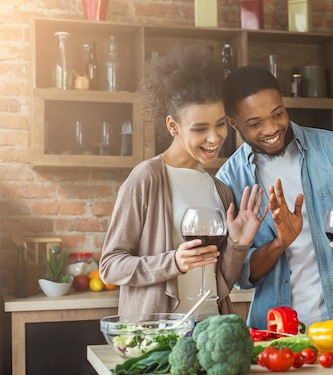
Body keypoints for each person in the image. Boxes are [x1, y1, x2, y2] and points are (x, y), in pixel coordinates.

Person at [216, 66, 333, 332]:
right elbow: (240, 274)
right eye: (255, 123)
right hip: (275, 334)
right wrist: (280, 243)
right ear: (233, 123)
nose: (272, 128)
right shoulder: (229, 180)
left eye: (278, 114)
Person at [99, 47, 267, 320]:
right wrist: (173, 262)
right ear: (173, 126)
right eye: (200, 129)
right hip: (161, 337)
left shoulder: (220, 189)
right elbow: (110, 266)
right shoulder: (147, 178)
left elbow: (220, 280)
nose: (214, 138)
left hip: (211, 328)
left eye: (220, 124)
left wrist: (238, 244)